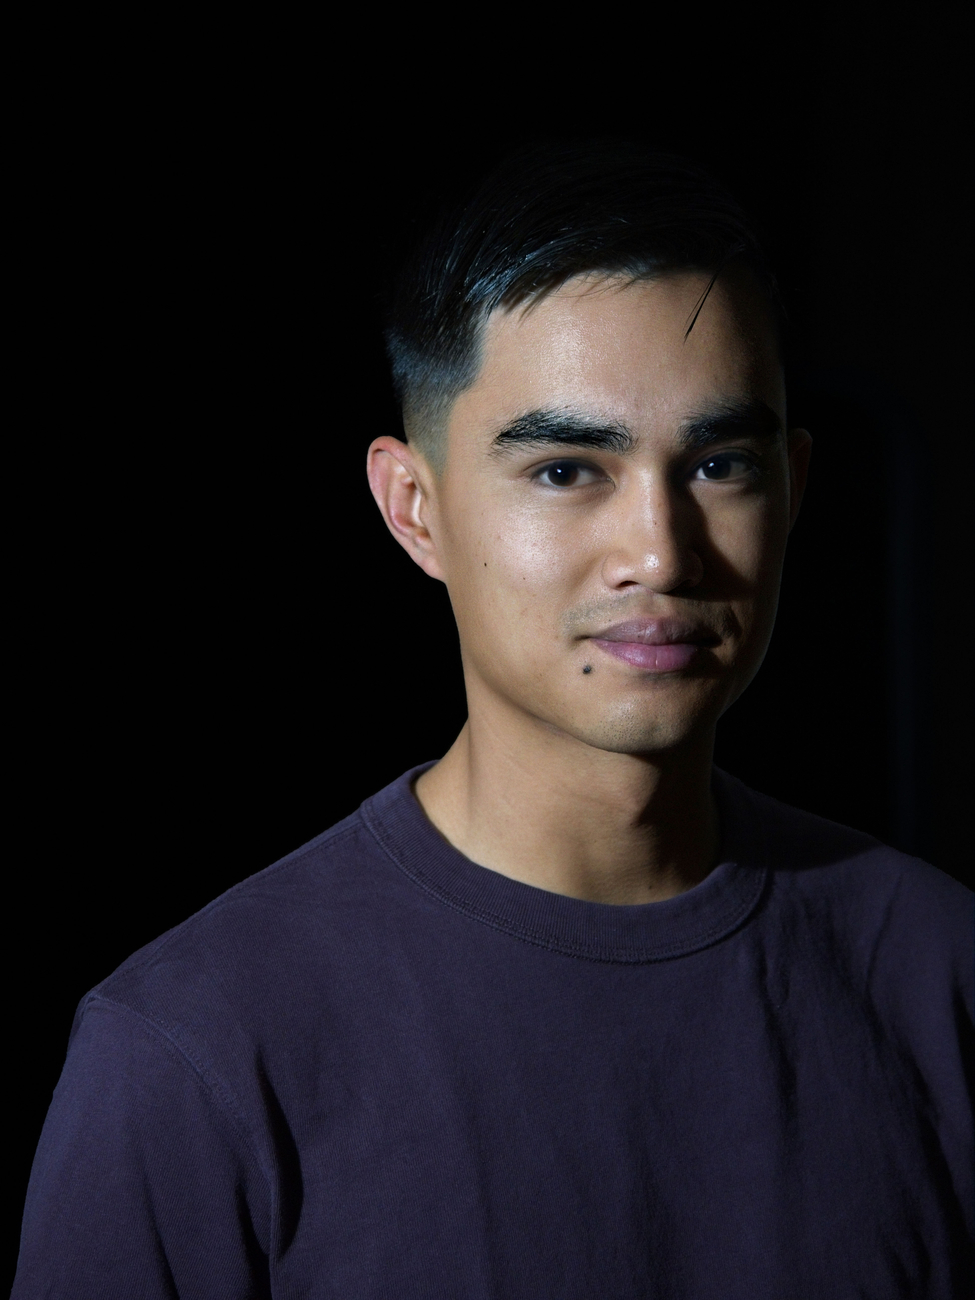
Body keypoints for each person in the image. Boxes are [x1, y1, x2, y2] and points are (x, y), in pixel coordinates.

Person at [14, 142, 972, 1299]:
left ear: (795, 486)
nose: (662, 553)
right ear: (414, 508)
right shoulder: (195, 1051)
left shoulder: (940, 972)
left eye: (720, 463)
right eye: (567, 470)